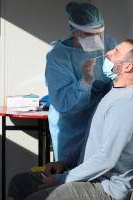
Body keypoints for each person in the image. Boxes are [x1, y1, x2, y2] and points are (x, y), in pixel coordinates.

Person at [9, 39, 133, 200]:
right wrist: (64, 163)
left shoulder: (125, 104)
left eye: (116, 52)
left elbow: (106, 159)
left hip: (105, 188)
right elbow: (93, 140)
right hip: (86, 176)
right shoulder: (112, 92)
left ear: (128, 67)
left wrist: (61, 179)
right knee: (19, 183)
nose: (108, 52)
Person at [45, 2, 117, 160]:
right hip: (70, 125)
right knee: (71, 174)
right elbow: (64, 102)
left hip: (100, 122)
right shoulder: (58, 56)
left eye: (99, 33)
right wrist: (85, 81)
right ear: (74, 30)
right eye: (88, 34)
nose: (96, 39)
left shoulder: (109, 45)